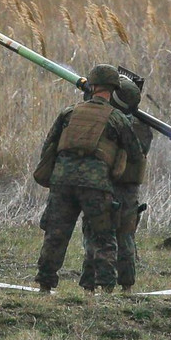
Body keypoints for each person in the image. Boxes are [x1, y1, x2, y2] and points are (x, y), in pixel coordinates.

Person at [33, 64, 143, 293]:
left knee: (55, 235)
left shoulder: (69, 112)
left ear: (91, 86)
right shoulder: (117, 118)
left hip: (62, 181)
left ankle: (45, 284)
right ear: (114, 90)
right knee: (102, 237)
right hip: (95, 185)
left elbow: (49, 145)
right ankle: (106, 288)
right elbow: (135, 153)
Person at [80, 76, 153, 293]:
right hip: (129, 190)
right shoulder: (142, 127)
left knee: (96, 234)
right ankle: (126, 285)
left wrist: (92, 99)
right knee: (126, 237)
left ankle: (91, 286)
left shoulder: (112, 122)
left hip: (105, 185)